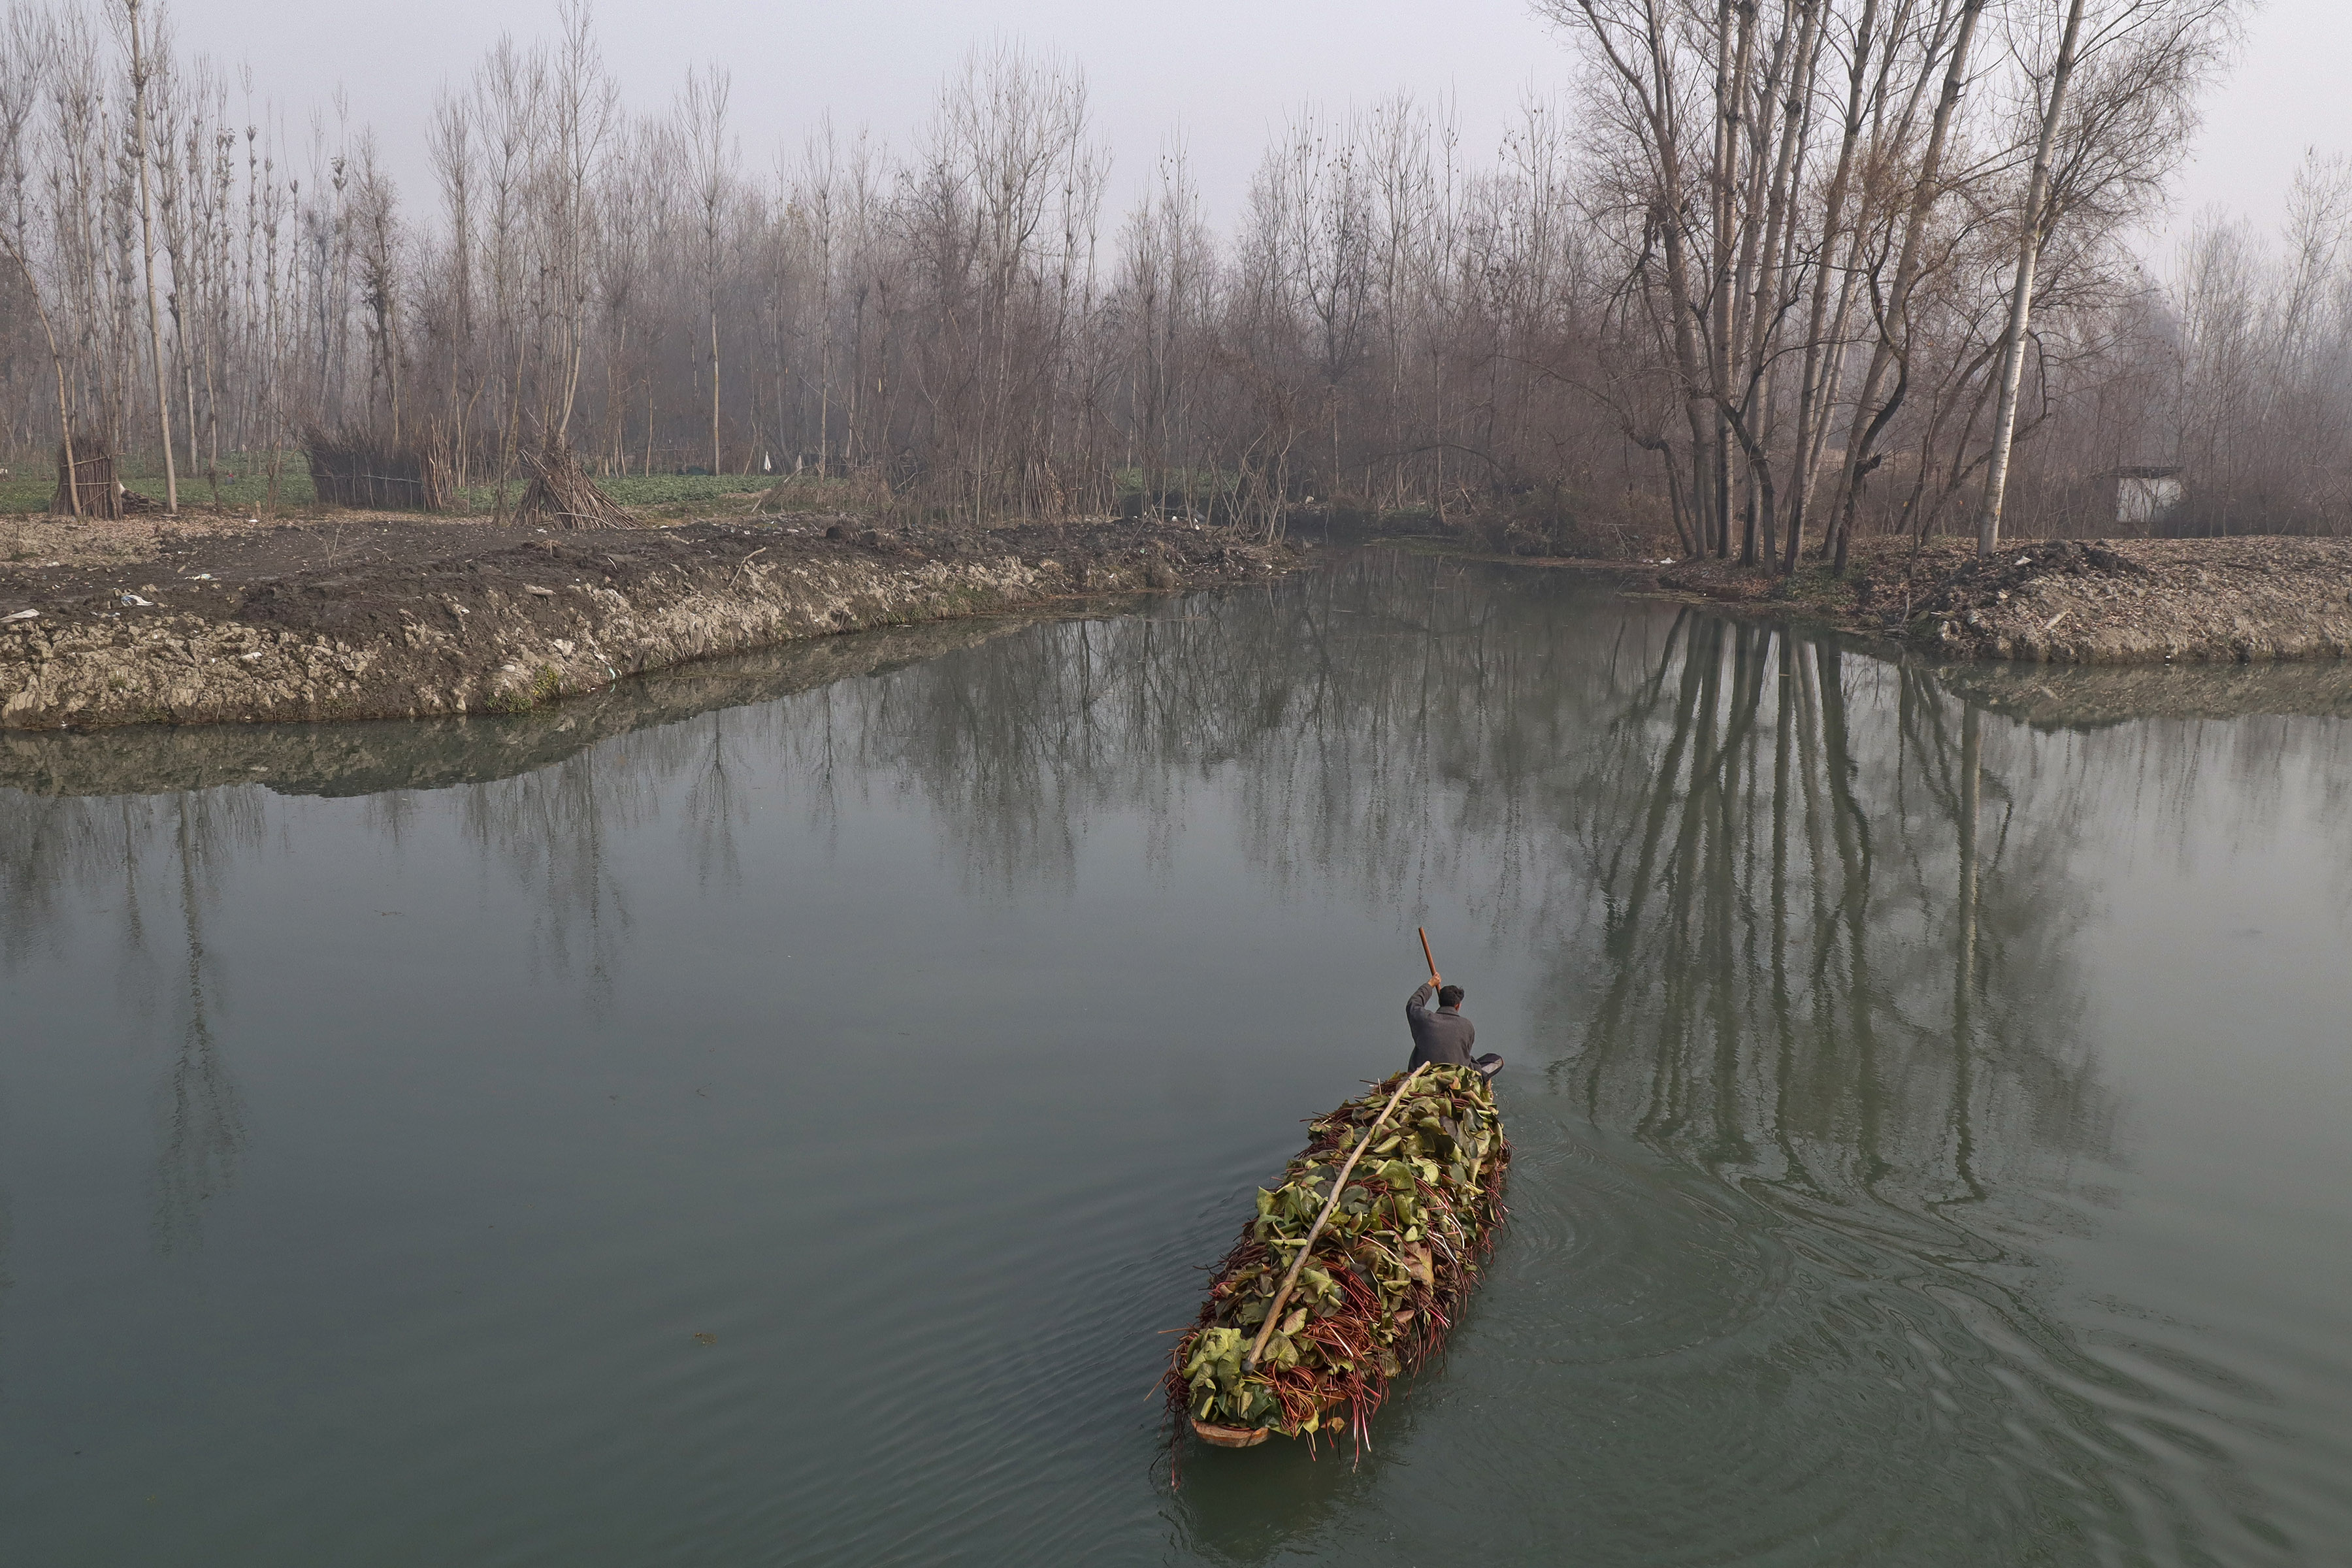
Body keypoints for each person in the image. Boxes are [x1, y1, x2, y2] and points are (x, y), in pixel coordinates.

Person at [1406, 972, 1504, 1081]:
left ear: (1440, 1002)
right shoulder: (1467, 1026)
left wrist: (1430, 984)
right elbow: (1465, 1053)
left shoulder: (1425, 1019)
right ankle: (1481, 1081)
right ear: (1458, 1006)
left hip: (1423, 1075)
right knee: (1497, 1060)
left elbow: (1413, 1004)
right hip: (1457, 1078)